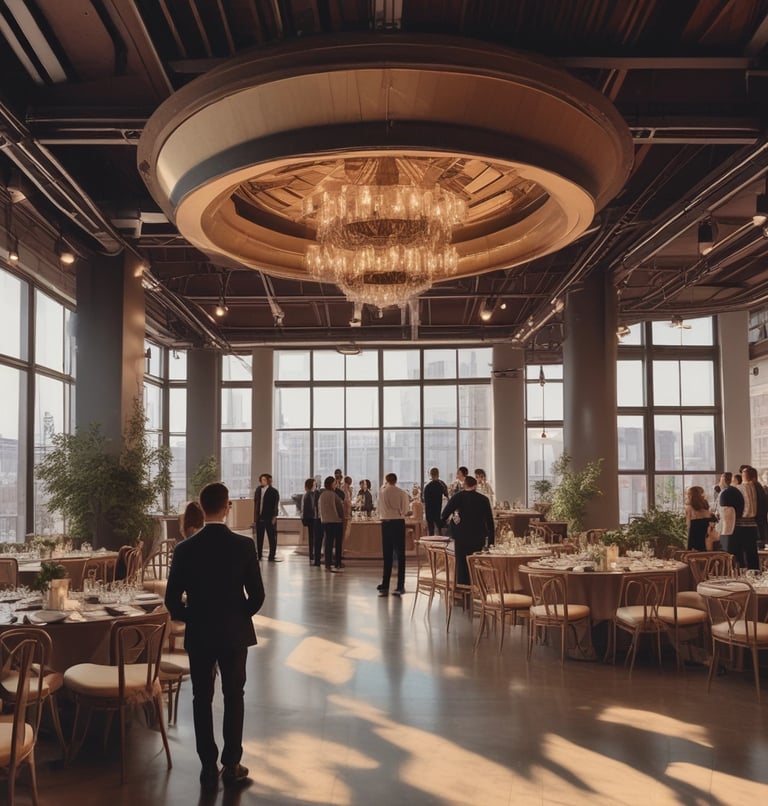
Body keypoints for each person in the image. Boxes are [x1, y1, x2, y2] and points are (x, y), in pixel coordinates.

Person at [165, 482, 265, 789]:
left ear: (201, 505)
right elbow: (257, 596)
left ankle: (208, 765)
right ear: (227, 506)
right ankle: (231, 764)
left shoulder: (185, 549)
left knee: (201, 697)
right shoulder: (244, 545)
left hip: (200, 633)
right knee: (234, 696)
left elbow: (172, 601)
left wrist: (195, 616)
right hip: (234, 633)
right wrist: (235, 615)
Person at [441, 475, 495, 585]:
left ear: (464, 485)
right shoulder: (484, 499)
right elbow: (490, 522)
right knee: (475, 561)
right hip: (478, 536)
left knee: (461, 563)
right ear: (475, 486)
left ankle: (462, 588)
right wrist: (491, 542)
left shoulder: (457, 497)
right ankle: (476, 586)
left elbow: (444, 514)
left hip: (461, 536)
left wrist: (453, 519)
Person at [377, 472, 411, 597]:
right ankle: (400, 586)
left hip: (386, 523)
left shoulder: (382, 493)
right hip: (398, 523)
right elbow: (406, 510)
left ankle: (385, 585)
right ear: (396, 480)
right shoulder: (402, 492)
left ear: (386, 480)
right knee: (400, 554)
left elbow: (379, 509)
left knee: (387, 554)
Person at [731, 465, 762, 569]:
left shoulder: (741, 487)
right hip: (753, 524)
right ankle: (755, 574)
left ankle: (743, 575)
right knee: (752, 553)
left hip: (741, 524)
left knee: (740, 553)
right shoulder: (758, 487)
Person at [317, 475, 344, 572]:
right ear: (331, 484)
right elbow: (340, 508)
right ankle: (338, 562)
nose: (335, 485)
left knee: (328, 543)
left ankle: (327, 563)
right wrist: (341, 517)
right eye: (334, 483)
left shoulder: (321, 495)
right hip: (335, 522)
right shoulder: (334, 495)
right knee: (338, 543)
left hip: (325, 522)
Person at [253, 473, 280, 561]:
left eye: (265, 479)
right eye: (262, 479)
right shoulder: (258, 490)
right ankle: (259, 554)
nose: (262, 481)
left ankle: (271, 555)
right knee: (259, 537)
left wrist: (274, 517)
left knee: (271, 537)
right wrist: (255, 517)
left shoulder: (274, 491)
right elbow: (256, 503)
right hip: (259, 517)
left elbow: (275, 505)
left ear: (269, 481)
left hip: (269, 517)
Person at [684, 485, 715, 551]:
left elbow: (688, 525)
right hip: (706, 537)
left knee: (694, 557)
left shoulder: (689, 508)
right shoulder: (706, 507)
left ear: (691, 495)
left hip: (694, 536)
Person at [423, 467, 448, 535]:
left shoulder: (427, 486)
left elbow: (424, 500)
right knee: (440, 530)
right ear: (438, 474)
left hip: (429, 511)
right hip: (439, 511)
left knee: (431, 531)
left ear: (430, 474)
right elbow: (447, 496)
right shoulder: (442, 485)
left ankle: (431, 544)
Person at [301, 478, 320, 565]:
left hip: (309, 518)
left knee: (312, 537)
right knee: (313, 537)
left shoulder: (307, 494)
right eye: (314, 484)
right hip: (312, 519)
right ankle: (312, 554)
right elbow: (311, 508)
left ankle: (312, 554)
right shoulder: (310, 495)